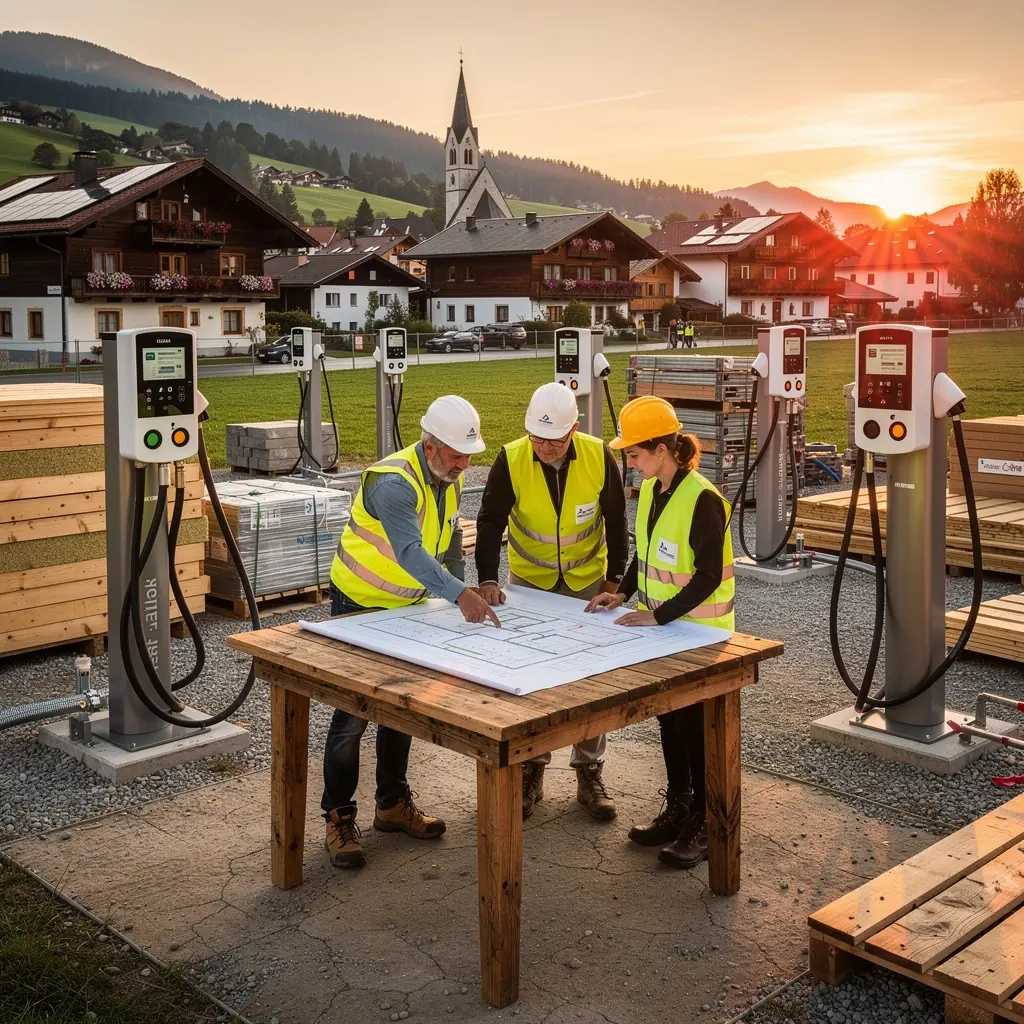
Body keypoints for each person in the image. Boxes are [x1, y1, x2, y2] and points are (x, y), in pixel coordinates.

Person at [322, 395, 500, 870]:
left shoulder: (447, 479)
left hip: (406, 605)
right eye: (457, 455)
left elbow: (449, 543)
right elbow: (409, 552)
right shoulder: (394, 484)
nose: (465, 464)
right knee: (352, 716)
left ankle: (392, 805)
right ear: (430, 444)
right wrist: (459, 595)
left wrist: (469, 584)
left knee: (400, 708)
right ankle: (338, 818)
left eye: (469, 455)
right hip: (358, 604)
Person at [584, 395, 734, 869]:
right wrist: (623, 593)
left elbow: (709, 575)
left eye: (634, 454)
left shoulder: (702, 500)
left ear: (663, 450)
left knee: (696, 728)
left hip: (699, 634)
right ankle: (679, 806)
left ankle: (708, 822)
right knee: (669, 720)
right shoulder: (651, 490)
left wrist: (659, 615)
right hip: (667, 631)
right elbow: (643, 556)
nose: (629, 463)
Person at [476, 382, 629, 820]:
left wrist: (616, 582)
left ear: (574, 430)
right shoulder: (512, 457)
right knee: (530, 678)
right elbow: (488, 522)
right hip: (529, 583)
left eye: (554, 440)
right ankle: (531, 770)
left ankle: (589, 770)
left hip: (587, 583)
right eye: (537, 438)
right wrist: (487, 579)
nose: (543, 447)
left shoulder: (600, 456)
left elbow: (617, 523)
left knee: (589, 678)